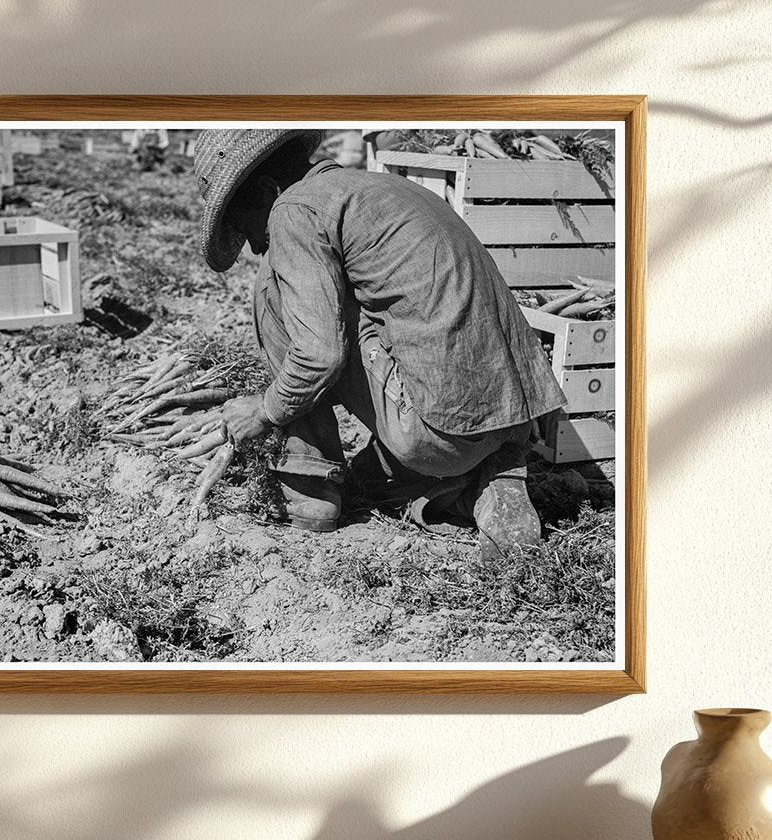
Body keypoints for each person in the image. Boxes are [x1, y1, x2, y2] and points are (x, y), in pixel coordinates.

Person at [192, 129, 567, 560]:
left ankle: (309, 489)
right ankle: (480, 480)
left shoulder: (293, 208)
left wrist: (263, 410)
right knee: (366, 481)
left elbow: (319, 354)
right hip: (516, 414)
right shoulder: (380, 187)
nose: (257, 246)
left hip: (439, 431)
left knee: (271, 289)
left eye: (247, 228)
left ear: (266, 190)